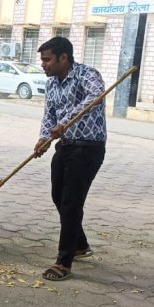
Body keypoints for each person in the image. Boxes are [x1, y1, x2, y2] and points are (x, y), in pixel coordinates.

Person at [34, 36, 106, 281]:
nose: (43, 65)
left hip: (88, 147)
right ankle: (80, 244)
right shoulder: (52, 83)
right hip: (65, 146)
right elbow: (49, 114)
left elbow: (95, 98)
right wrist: (44, 138)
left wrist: (65, 123)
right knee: (59, 197)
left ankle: (63, 262)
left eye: (47, 60)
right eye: (42, 60)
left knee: (71, 203)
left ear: (63, 58)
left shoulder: (88, 75)